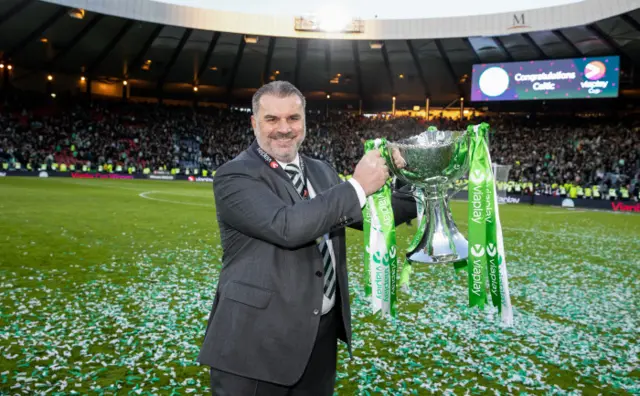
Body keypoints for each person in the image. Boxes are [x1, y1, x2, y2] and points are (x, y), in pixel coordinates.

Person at [197, 81, 417, 396]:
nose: (284, 128)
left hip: (319, 337)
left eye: (293, 118)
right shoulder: (235, 175)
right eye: (272, 119)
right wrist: (356, 186)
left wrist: (418, 176)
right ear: (254, 123)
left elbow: (375, 215)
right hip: (255, 344)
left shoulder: (322, 172)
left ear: (305, 122)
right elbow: (288, 227)